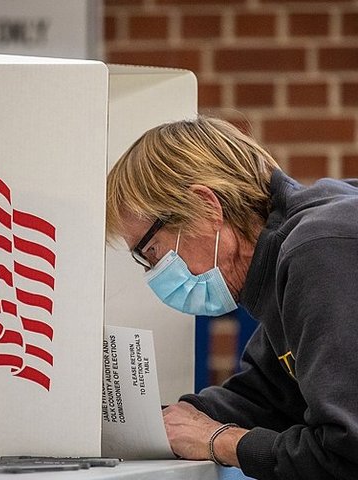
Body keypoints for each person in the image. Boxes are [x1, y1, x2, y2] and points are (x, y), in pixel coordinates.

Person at [106, 114, 358, 480]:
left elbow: (346, 453)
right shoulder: (285, 258)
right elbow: (266, 397)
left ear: (207, 207)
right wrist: (154, 422)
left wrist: (219, 440)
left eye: (152, 252)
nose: (154, 273)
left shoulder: (319, 249)